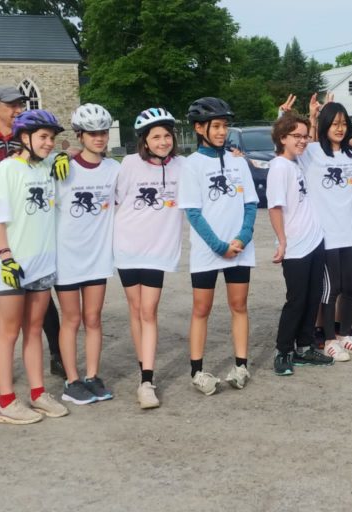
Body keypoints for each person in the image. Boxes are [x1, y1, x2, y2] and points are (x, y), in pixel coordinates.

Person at [0, 85, 64, 387]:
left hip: (29, 231)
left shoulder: (37, 144)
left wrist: (65, 155)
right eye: (11, 105)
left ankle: (57, 355)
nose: (17, 109)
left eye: (20, 104)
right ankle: (0, 364)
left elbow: (61, 157)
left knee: (40, 304)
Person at [0, 109, 70, 424]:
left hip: (42, 262)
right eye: (44, 138)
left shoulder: (49, 165)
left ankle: (38, 394)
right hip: (13, 264)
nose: (50, 143)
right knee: (8, 332)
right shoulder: (7, 169)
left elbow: (74, 156)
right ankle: (6, 401)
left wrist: (65, 155)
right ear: (25, 138)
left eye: (52, 138)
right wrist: (6, 256)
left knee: (34, 330)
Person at [177, 97, 258, 395]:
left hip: (239, 248)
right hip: (208, 251)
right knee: (202, 309)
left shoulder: (238, 161)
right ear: (200, 128)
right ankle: (197, 371)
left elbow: (251, 203)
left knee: (239, 305)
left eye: (225, 126)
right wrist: (218, 246)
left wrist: (243, 237)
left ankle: (241, 366)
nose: (223, 132)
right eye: (216, 126)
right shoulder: (191, 165)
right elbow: (193, 212)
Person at [115, 107, 185, 409]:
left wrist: (237, 157)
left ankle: (146, 380)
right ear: (144, 140)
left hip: (158, 249)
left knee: (149, 310)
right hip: (127, 245)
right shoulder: (129, 164)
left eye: (167, 135)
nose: (163, 141)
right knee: (135, 308)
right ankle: (143, 360)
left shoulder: (183, 166)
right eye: (156, 136)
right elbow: (116, 199)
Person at [55, 104, 120, 405]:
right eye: (92, 133)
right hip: (66, 256)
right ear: (80, 135)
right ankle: (71, 380)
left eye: (103, 132)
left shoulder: (113, 170)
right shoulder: (63, 168)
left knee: (93, 318)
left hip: (97, 257)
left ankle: (92, 376)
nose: (99, 138)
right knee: (71, 319)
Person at [267, 113, 336, 375]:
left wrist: (314, 117)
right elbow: (275, 208)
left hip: (314, 241)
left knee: (313, 297)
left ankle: (305, 347)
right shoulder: (279, 167)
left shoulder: (297, 164)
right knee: (296, 300)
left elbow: (316, 141)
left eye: (305, 136)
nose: (303, 141)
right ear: (282, 138)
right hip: (295, 245)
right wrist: (282, 242)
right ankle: (283, 350)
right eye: (296, 136)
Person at [302, 96, 352, 361]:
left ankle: (344, 335)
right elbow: (291, 142)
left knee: (351, 287)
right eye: (334, 123)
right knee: (332, 288)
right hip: (327, 235)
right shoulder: (312, 153)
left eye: (344, 123)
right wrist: (310, 118)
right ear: (325, 125)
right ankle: (329, 339)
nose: (340, 128)